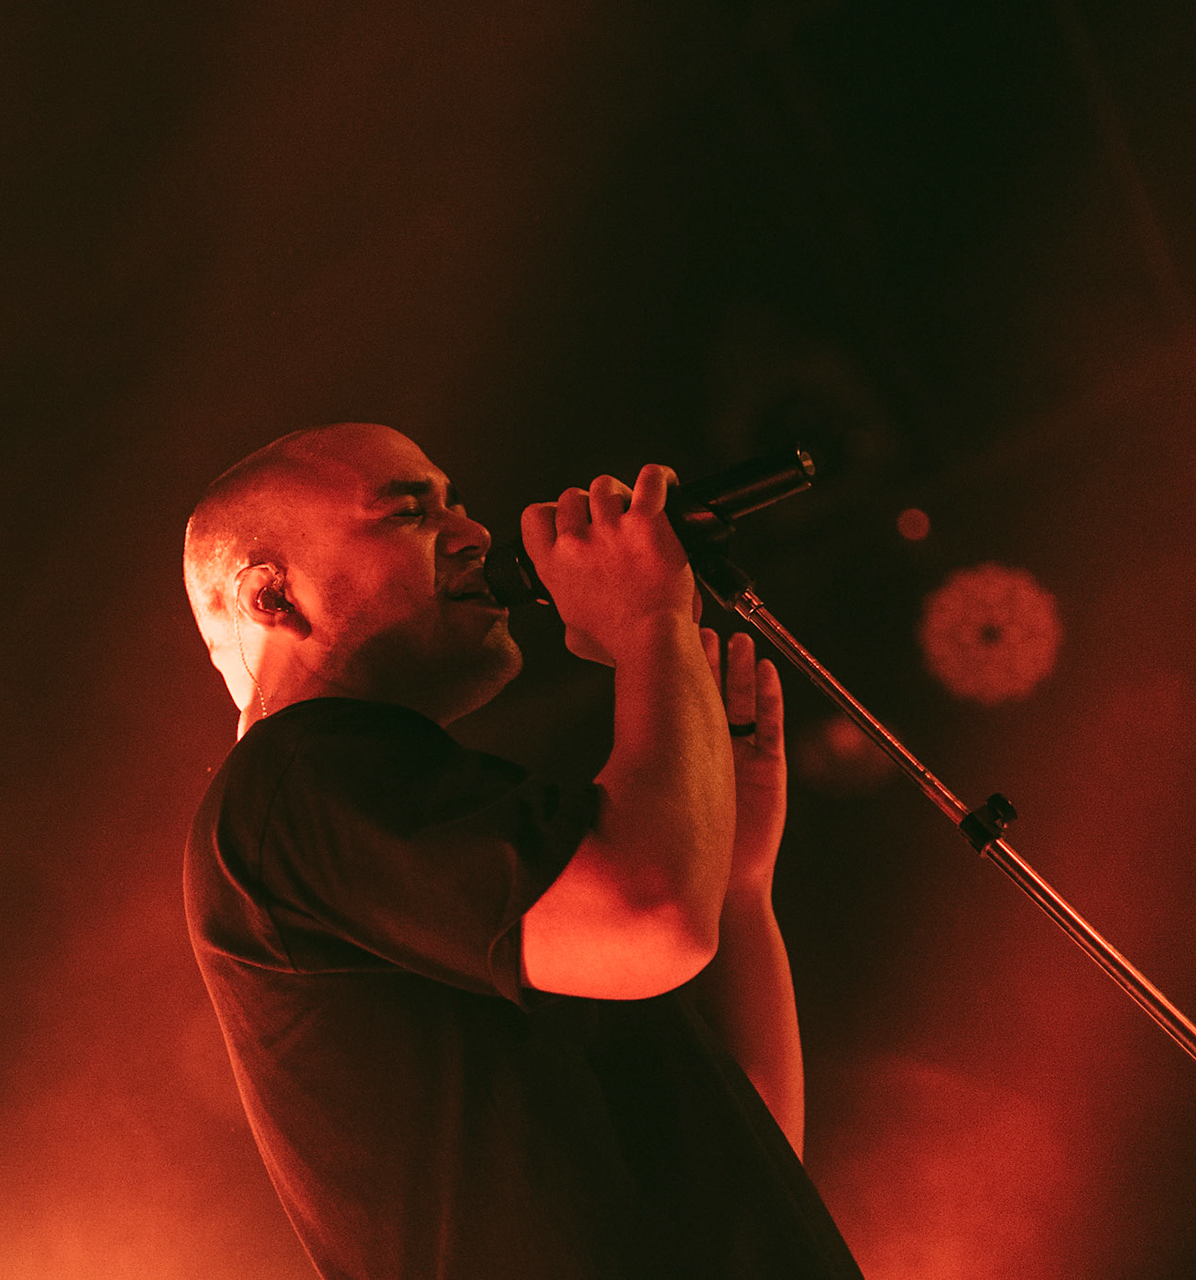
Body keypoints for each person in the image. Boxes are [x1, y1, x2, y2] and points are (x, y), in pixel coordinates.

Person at [182, 422, 861, 1279]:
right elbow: (655, 919)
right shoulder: (294, 780)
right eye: (410, 514)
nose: (474, 533)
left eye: (457, 505)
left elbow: (752, 1154)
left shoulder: (439, 819)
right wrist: (647, 618)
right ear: (271, 597)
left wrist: (737, 886)